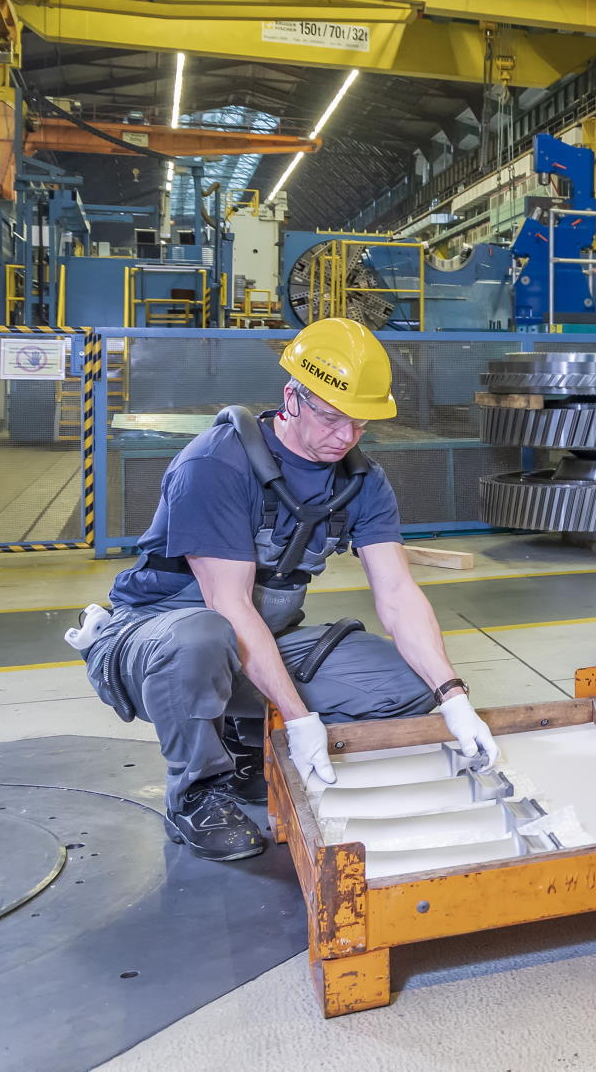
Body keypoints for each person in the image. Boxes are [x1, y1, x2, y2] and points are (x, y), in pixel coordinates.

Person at [68, 318, 499, 860]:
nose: (345, 437)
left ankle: (250, 749)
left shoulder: (363, 483)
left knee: (403, 686)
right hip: (154, 642)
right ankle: (198, 791)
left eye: (360, 424)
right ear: (292, 398)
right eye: (332, 417)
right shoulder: (216, 464)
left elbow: (397, 594)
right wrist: (300, 719)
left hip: (263, 639)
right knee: (202, 636)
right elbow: (227, 605)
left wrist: (453, 699)